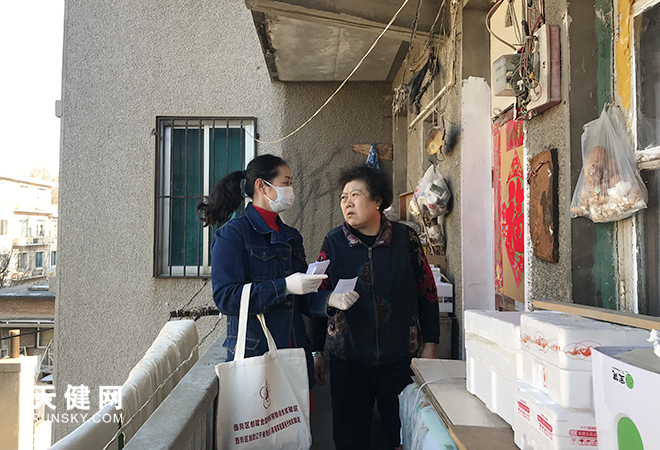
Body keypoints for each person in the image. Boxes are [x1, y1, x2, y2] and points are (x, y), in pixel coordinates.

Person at [306, 165, 440, 450]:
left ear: (377, 200)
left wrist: (431, 343)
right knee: (350, 439)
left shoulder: (405, 240)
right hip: (349, 361)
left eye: (355, 195)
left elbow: (427, 291)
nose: (347, 203)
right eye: (343, 197)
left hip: (399, 360)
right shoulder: (334, 243)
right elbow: (318, 296)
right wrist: (316, 351)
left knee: (398, 435)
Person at [197, 154, 358, 386]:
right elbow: (226, 298)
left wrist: (330, 299)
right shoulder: (233, 234)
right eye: (285, 183)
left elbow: (301, 300)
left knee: (296, 410)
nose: (290, 190)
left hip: (295, 353)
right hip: (256, 357)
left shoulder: (291, 236)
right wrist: (284, 286)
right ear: (261, 186)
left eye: (290, 183)